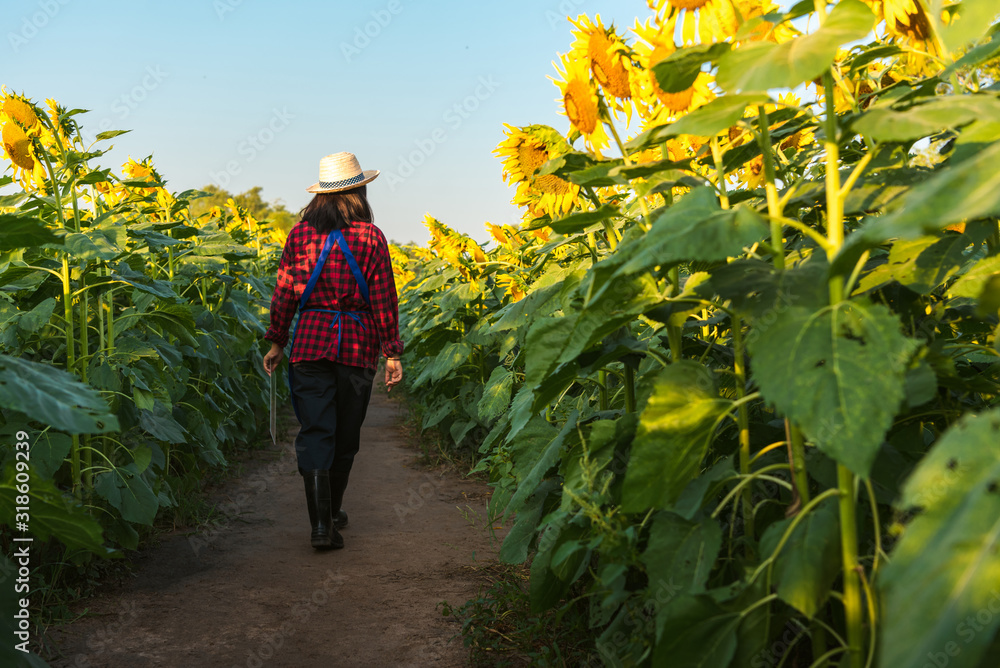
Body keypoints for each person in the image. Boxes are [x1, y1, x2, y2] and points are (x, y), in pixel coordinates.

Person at [262, 152, 404, 550]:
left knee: (315, 432)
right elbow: (383, 299)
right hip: (357, 348)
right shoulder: (371, 237)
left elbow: (285, 292)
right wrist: (392, 352)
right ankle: (331, 512)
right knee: (345, 435)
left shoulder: (299, 235)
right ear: (358, 192)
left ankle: (322, 525)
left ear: (320, 197)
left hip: (308, 344)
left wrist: (277, 341)